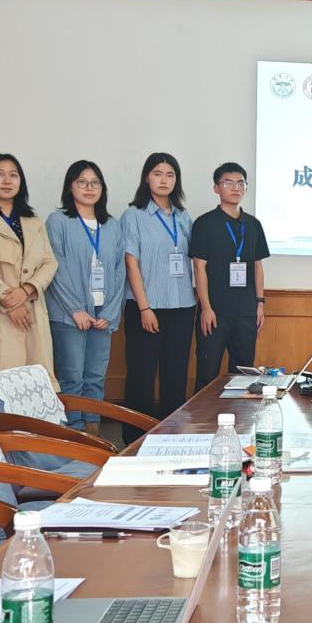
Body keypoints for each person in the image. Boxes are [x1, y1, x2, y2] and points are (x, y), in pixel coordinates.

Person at [46, 161, 126, 434]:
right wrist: (75, 310)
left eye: (95, 182)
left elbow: (120, 270)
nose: (89, 188)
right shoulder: (58, 221)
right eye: (82, 181)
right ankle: (74, 435)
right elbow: (56, 268)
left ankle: (94, 432)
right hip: (69, 315)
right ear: (71, 186)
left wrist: (110, 313)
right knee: (71, 377)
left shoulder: (112, 225)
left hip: (103, 315)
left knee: (95, 376)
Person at [121, 152, 196, 441]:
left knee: (175, 375)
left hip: (182, 305)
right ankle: (134, 439)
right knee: (141, 375)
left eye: (170, 175)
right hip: (146, 307)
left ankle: (171, 438)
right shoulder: (134, 215)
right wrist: (144, 307)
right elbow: (131, 263)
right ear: (146, 178)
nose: (164, 180)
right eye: (157, 174)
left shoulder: (183, 217)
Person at [0, 153, 59, 386]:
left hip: (33, 310)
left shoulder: (33, 219)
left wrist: (26, 290)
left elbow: (50, 262)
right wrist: (9, 300)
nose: (7, 180)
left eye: (13, 175)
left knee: (36, 384)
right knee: (1, 384)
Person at [190, 163, 270, 391]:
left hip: (246, 311)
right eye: (228, 183)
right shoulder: (204, 223)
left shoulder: (253, 225)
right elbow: (199, 268)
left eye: (240, 183)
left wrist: (259, 304)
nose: (236, 188)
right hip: (215, 312)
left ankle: (239, 415)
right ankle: (203, 415)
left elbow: (257, 267)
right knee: (207, 373)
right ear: (216, 188)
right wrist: (206, 307)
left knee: (243, 374)